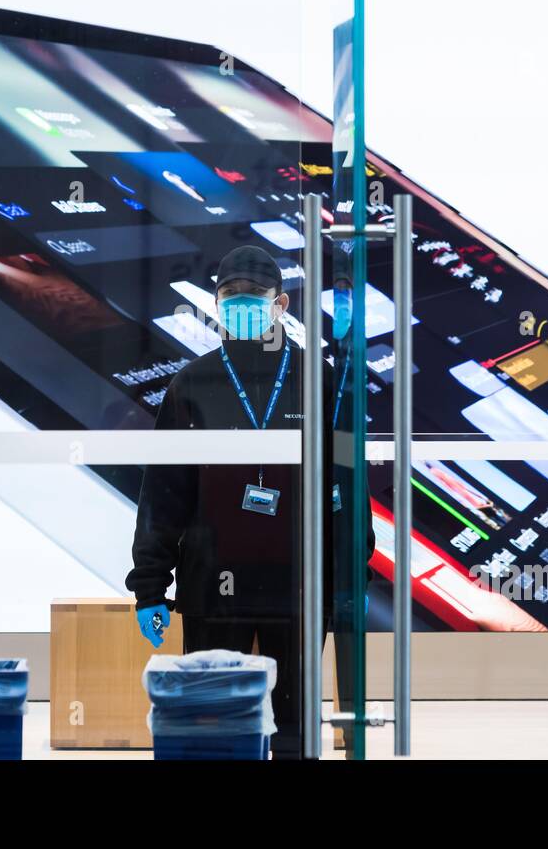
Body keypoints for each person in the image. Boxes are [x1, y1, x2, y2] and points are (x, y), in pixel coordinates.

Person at [126, 244, 369, 759]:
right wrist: (150, 585)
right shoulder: (193, 383)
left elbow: (349, 479)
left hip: (299, 583)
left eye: (251, 297)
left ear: (280, 305)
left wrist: (352, 568)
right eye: (228, 297)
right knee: (215, 720)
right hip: (214, 583)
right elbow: (165, 490)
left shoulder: (318, 378)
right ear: (215, 305)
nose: (239, 307)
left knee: (292, 728)